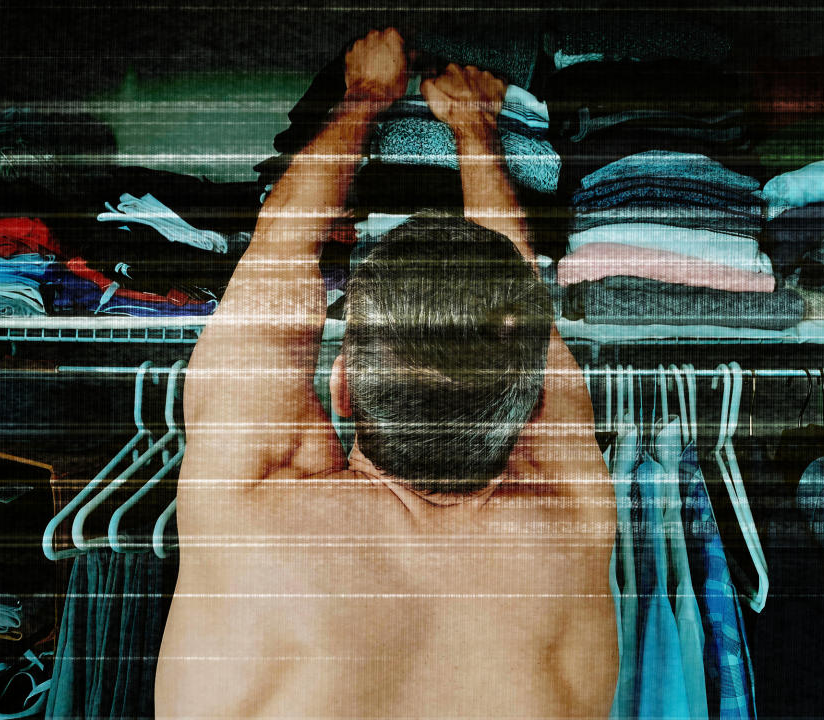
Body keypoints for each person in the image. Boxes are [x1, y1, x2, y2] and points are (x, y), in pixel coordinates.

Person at [155, 28, 618, 718]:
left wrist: (367, 95)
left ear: (340, 385)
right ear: (528, 404)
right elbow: (522, 324)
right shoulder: (570, 521)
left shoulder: (252, 517)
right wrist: (474, 133)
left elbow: (282, 241)